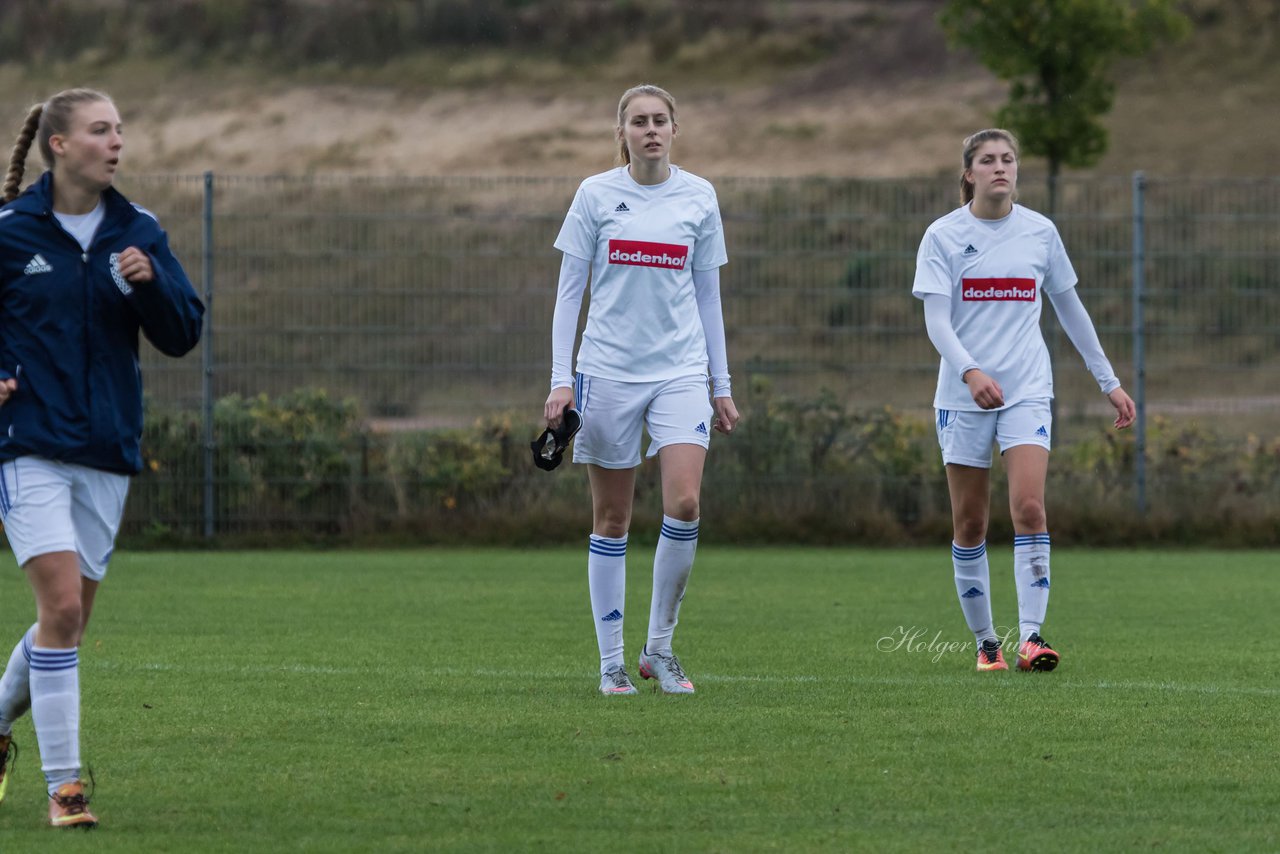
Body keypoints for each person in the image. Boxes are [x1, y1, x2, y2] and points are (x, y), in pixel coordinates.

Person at [0, 88, 204, 827]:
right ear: (60, 145)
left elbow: (183, 333)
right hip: (27, 445)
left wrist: (151, 287)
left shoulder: (139, 230)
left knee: (67, 624)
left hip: (108, 450)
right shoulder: (11, 232)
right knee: (56, 607)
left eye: (119, 129)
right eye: (99, 130)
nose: (116, 141)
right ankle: (65, 789)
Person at [911, 128, 1134, 674]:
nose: (999, 168)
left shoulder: (1040, 232)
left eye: (1008, 159)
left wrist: (1109, 381)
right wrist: (969, 371)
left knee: (1030, 508)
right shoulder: (943, 236)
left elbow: (1070, 309)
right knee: (970, 524)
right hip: (963, 396)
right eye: (987, 160)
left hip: (1027, 391)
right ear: (968, 173)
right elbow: (936, 320)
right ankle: (988, 642)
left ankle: (1032, 637)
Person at [543, 84, 739, 696]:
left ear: (675, 129)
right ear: (622, 132)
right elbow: (569, 292)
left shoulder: (699, 195)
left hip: (681, 371)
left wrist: (720, 383)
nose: (650, 130)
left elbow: (708, 295)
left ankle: (660, 648)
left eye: (660, 120)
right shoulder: (596, 194)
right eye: (638, 122)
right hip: (606, 371)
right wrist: (560, 380)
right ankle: (611, 662)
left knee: (684, 504)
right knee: (612, 516)